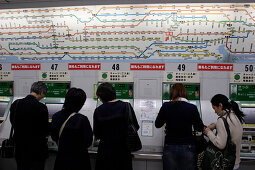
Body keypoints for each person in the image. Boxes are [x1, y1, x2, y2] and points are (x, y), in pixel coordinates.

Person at [155, 83, 204, 170]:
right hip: (188, 145)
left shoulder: (166, 106)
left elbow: (157, 124)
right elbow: (199, 128)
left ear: (172, 93)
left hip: (170, 145)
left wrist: (167, 117)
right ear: (184, 93)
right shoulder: (192, 107)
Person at [93, 82, 139, 170]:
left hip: (105, 152)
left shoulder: (98, 110)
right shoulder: (126, 106)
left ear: (101, 97)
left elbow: (97, 133)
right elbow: (135, 127)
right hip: (123, 151)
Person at [10, 81, 49, 170]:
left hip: (20, 149)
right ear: (42, 92)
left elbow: (13, 122)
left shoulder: (16, 104)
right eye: (44, 94)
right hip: (37, 150)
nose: (43, 97)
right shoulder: (41, 107)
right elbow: (45, 129)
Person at [51, 87, 93, 170]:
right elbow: (88, 142)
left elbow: (54, 136)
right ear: (80, 103)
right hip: (79, 161)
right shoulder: (82, 119)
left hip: (62, 159)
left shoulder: (56, 116)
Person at [204, 94, 244, 170]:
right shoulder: (235, 116)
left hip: (225, 163)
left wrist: (208, 132)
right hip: (235, 161)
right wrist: (215, 126)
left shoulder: (221, 120)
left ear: (220, 105)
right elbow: (230, 129)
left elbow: (220, 144)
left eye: (214, 108)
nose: (215, 112)